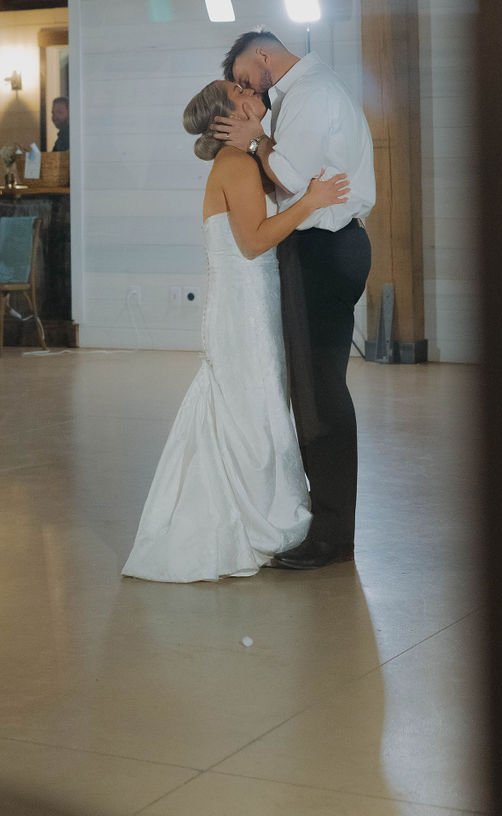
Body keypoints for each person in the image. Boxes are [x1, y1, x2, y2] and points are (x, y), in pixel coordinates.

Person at [123, 80, 349, 584]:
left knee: (255, 405)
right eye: (240, 89)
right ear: (229, 114)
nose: (251, 88)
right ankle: (253, 520)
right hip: (243, 307)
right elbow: (253, 242)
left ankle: (263, 510)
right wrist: (312, 200)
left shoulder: (242, 161)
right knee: (251, 408)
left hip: (249, 300)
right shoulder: (236, 166)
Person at [213, 30, 374, 570]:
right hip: (331, 243)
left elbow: (289, 177)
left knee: (317, 394)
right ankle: (330, 524)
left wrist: (257, 140)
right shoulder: (313, 90)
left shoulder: (308, 94)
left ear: (263, 54)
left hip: (322, 249)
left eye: (242, 77)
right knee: (315, 388)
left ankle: (331, 535)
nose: (244, 89)